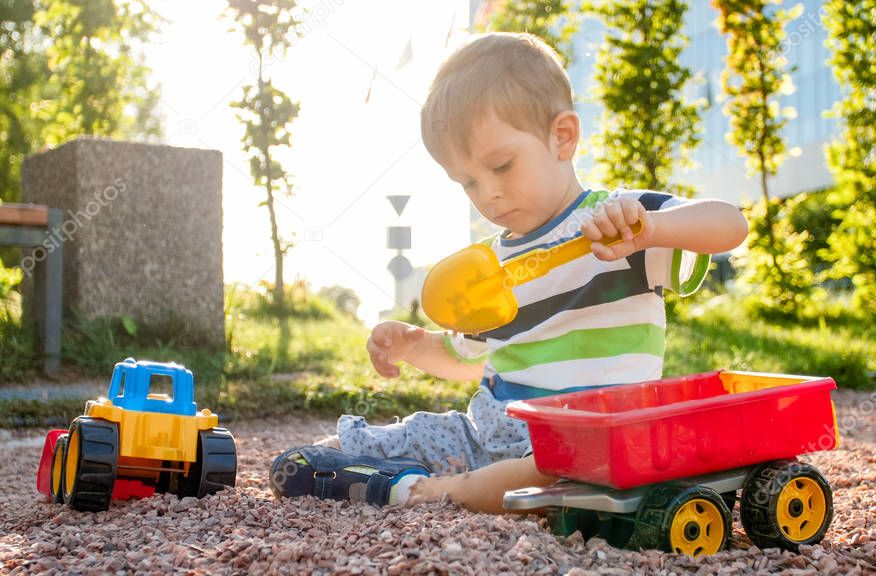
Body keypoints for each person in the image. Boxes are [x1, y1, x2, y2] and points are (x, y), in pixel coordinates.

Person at [269, 32, 748, 514]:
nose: (488, 195)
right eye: (468, 182)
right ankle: (361, 469)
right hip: (487, 429)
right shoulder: (488, 267)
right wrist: (416, 347)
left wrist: (653, 229)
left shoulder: (623, 222)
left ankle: (428, 491)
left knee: (558, 471)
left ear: (562, 136)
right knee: (400, 436)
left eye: (502, 166)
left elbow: (731, 224)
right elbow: (470, 358)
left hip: (582, 440)